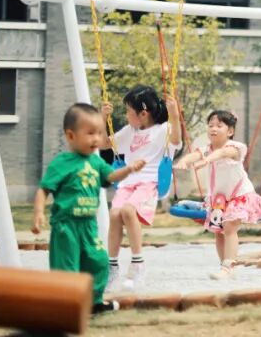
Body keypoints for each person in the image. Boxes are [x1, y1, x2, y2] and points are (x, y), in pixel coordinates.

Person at [33, 103, 145, 315]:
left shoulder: (96, 162)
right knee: (67, 268)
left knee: (99, 261)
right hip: (66, 226)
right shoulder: (62, 162)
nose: (96, 139)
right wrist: (38, 212)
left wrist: (129, 169)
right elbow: (44, 189)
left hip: (88, 225)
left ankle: (94, 302)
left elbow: (111, 176)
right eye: (90, 133)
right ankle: (65, 306)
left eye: (99, 133)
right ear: (71, 135)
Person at [173, 110, 261, 279]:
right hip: (219, 200)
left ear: (230, 131)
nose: (213, 128)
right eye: (210, 125)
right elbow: (194, 155)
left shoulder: (236, 148)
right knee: (218, 232)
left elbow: (223, 153)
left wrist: (207, 160)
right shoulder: (206, 149)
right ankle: (225, 266)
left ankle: (228, 267)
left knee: (229, 227)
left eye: (219, 125)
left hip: (239, 196)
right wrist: (183, 161)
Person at [100, 85, 181, 290]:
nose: (126, 115)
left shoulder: (163, 130)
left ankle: (138, 264)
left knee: (128, 211)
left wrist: (174, 115)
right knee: (115, 214)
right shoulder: (130, 131)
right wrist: (102, 118)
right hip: (127, 182)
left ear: (143, 114)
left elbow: (176, 140)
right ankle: (112, 267)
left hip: (150, 182)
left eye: (128, 111)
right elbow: (102, 144)